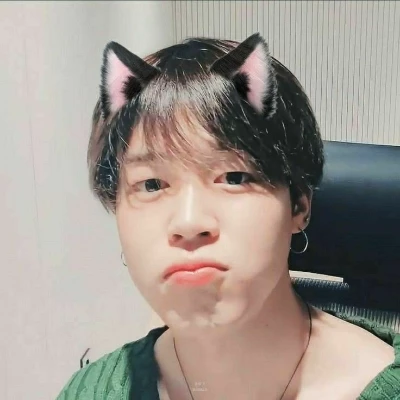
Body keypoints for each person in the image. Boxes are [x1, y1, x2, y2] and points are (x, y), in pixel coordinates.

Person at [56, 33, 399, 400]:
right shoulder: (87, 392)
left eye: (234, 178)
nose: (188, 222)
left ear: (299, 204)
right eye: (151, 184)